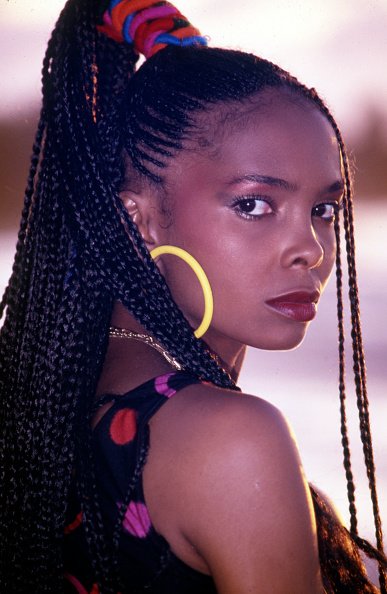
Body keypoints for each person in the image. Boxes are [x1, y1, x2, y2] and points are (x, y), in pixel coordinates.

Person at [0, 0, 386, 592]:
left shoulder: (49, 405)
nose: (309, 247)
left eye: (324, 209)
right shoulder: (232, 440)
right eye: (254, 204)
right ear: (141, 219)